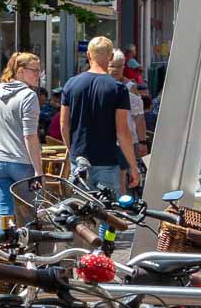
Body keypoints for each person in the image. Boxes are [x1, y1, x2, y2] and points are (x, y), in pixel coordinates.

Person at [59, 37, 141, 195]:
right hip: (107, 160)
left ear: (88, 55)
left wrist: (73, 151)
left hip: (80, 160)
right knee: (108, 208)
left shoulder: (71, 84)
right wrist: (133, 166)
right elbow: (122, 131)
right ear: (111, 57)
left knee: (81, 208)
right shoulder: (118, 89)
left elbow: (64, 125)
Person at [0, 53, 43, 231]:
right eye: (34, 70)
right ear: (20, 71)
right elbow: (30, 136)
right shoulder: (28, 96)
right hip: (22, 163)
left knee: (5, 214)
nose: (38, 75)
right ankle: (29, 248)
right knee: (29, 215)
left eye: (39, 71)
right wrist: (38, 170)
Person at [109, 50, 148, 158]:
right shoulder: (100, 85)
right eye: (112, 66)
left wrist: (142, 142)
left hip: (127, 142)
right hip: (106, 143)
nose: (115, 70)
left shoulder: (130, 88)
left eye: (119, 66)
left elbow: (139, 117)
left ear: (123, 67)